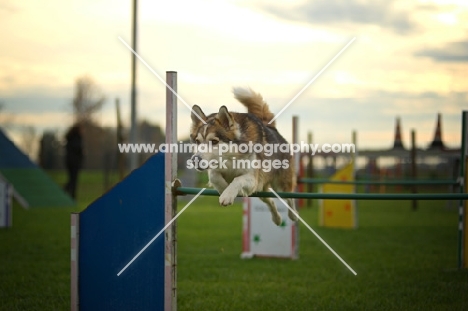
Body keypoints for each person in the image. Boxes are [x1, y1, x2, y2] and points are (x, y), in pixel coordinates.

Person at [64, 123, 83, 200]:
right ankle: (72, 195)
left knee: (72, 179)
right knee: (73, 179)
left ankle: (69, 192)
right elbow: (78, 149)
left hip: (69, 161)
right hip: (74, 162)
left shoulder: (69, 138)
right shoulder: (77, 139)